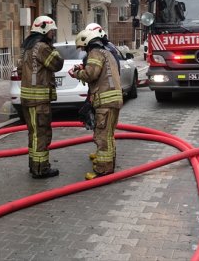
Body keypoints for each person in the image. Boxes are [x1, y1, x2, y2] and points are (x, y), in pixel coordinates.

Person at [70, 28, 123, 180]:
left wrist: (76, 73)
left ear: (87, 42)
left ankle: (102, 170)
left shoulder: (95, 53)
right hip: (114, 100)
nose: (83, 51)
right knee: (109, 134)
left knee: (102, 136)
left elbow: (90, 74)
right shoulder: (107, 53)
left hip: (105, 101)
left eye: (82, 47)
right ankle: (109, 164)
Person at [17, 15, 64, 179]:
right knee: (41, 134)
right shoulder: (42, 47)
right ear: (44, 30)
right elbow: (57, 64)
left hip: (27, 100)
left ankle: (34, 165)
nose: (53, 34)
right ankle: (41, 169)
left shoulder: (26, 48)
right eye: (51, 31)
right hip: (39, 101)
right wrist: (54, 49)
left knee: (33, 133)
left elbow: (20, 70)